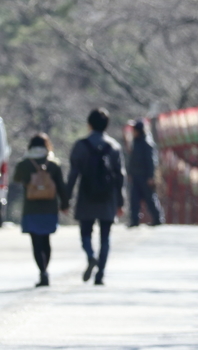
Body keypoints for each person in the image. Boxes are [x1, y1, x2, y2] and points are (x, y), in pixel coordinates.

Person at [66, 108, 125, 286]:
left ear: (89, 124)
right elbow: (120, 176)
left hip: (86, 194)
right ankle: (100, 275)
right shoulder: (114, 146)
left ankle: (91, 256)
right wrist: (121, 202)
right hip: (108, 197)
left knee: (85, 232)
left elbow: (73, 174)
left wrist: (66, 198)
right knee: (105, 236)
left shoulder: (81, 145)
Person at [13, 133, 69, 286]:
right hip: (49, 208)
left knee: (36, 243)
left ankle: (42, 271)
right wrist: (65, 204)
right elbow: (61, 186)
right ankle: (45, 270)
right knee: (46, 241)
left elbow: (16, 179)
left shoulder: (24, 163)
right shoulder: (53, 163)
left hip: (31, 208)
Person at [127, 120, 163, 227]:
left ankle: (158, 219)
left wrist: (151, 177)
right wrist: (130, 173)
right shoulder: (136, 142)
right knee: (134, 199)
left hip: (145, 176)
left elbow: (151, 161)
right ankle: (134, 221)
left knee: (150, 198)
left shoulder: (147, 143)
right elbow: (132, 160)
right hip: (136, 176)